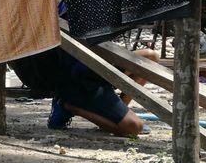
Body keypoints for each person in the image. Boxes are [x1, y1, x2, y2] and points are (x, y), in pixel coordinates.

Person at [9, 46, 160, 138]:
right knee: (134, 127)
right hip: (79, 79)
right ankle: (68, 106)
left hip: (97, 63)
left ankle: (117, 111)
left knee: (150, 57)